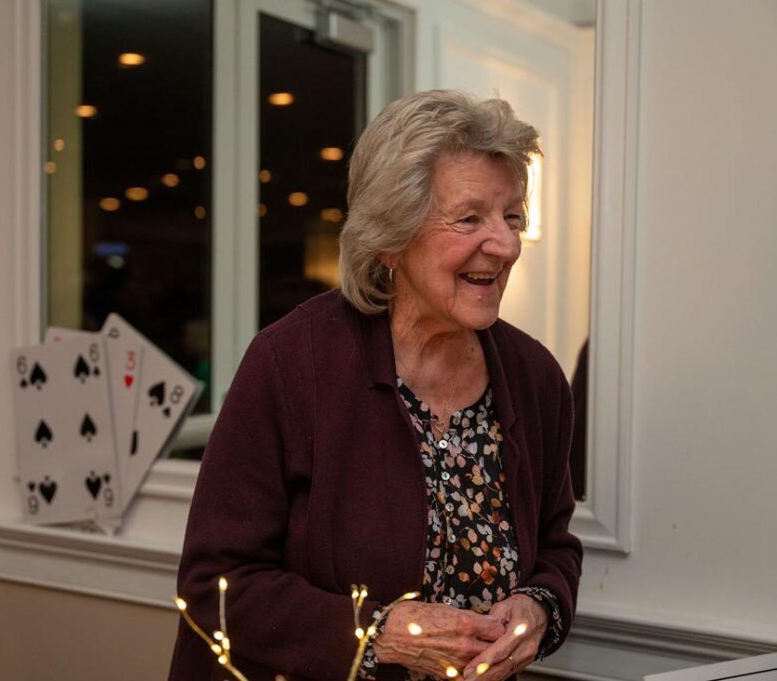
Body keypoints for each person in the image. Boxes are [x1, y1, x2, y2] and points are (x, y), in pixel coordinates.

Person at [169, 90, 582, 681]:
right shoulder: (291, 364)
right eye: (470, 218)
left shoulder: (536, 379)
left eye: (512, 217)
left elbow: (555, 546)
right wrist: (378, 635)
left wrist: (540, 607)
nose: (507, 244)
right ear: (391, 237)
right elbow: (215, 585)